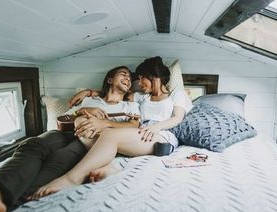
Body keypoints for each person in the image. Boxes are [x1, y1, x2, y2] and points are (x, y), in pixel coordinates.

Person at [0, 66, 139, 212]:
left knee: (59, 158)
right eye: (123, 74)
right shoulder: (89, 99)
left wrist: (104, 123)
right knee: (33, 144)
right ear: (110, 79)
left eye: (130, 78)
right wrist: (82, 111)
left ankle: (8, 205)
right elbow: (63, 120)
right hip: (65, 133)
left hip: (90, 141)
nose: (127, 79)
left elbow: (134, 126)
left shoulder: (130, 106)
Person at [30, 56, 192, 199]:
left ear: (154, 77)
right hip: (138, 135)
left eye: (143, 78)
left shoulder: (176, 95)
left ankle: (72, 179)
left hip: (161, 136)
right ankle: (108, 166)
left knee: (109, 134)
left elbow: (177, 117)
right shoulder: (142, 97)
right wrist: (87, 92)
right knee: (85, 123)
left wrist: (156, 127)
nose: (139, 83)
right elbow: (110, 92)